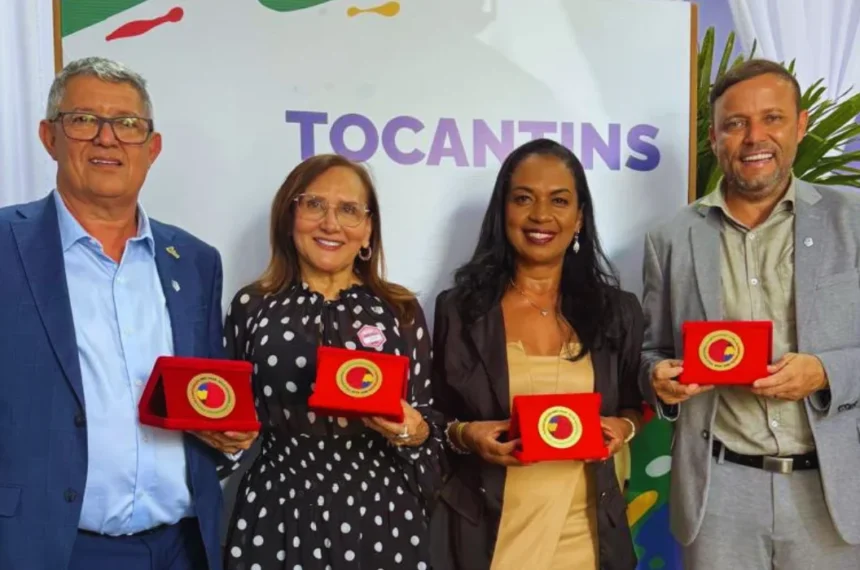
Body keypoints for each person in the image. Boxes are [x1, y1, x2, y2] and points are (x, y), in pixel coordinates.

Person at [0, 57, 257, 570]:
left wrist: (227, 438)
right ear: (49, 137)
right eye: (83, 120)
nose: (107, 138)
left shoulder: (196, 261)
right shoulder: (7, 246)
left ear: (152, 147)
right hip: (50, 548)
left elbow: (205, 397)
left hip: (182, 547)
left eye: (127, 124)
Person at [640, 59, 860, 569]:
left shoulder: (853, 220)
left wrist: (827, 372)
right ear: (714, 138)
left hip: (832, 491)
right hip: (719, 492)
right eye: (736, 123)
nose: (754, 137)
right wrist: (658, 378)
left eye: (772, 118)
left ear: (800, 125)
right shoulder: (670, 238)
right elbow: (651, 350)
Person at [430, 138, 644, 570]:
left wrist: (624, 427)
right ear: (503, 211)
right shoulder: (459, 310)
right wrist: (466, 435)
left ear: (579, 217)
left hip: (587, 539)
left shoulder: (617, 312)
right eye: (523, 198)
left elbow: (632, 403)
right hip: (487, 535)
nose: (541, 215)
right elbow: (434, 417)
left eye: (559, 200)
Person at [220, 154, 442, 569]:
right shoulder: (252, 306)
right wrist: (227, 438)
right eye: (314, 204)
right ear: (289, 216)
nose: (330, 223)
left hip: (381, 513)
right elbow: (227, 415)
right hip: (278, 510)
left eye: (349, 210)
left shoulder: (400, 311)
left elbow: (428, 423)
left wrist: (414, 432)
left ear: (368, 229)